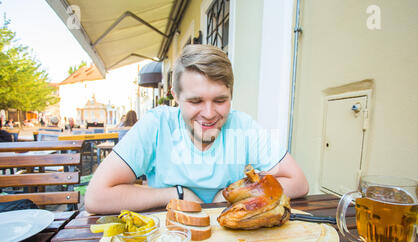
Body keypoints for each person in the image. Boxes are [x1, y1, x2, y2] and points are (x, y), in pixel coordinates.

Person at [85, 44, 309, 214]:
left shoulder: (242, 125)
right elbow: (95, 197)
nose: (209, 113)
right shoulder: (157, 124)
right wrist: (176, 194)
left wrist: (234, 195)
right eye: (196, 101)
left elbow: (298, 183)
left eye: (220, 100)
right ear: (176, 98)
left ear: (231, 95)